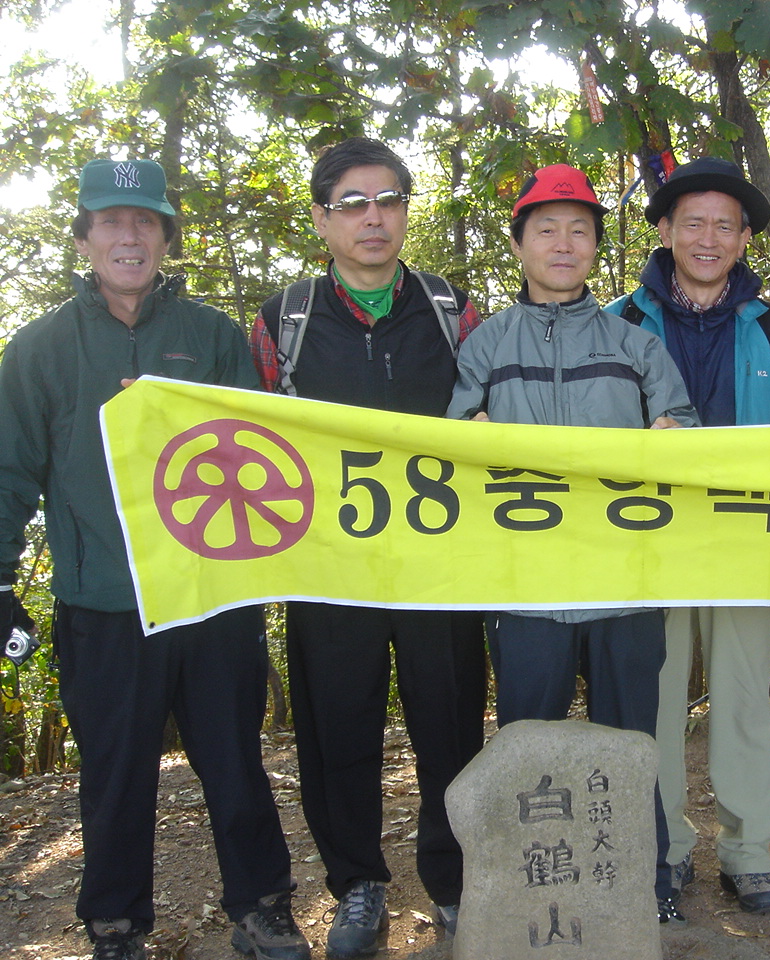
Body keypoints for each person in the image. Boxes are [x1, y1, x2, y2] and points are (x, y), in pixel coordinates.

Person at [0, 159, 309, 960]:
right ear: (84, 237)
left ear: (167, 237)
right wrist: (0, 581)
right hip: (102, 603)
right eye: (110, 220)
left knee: (234, 762)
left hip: (211, 598)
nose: (129, 236)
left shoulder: (211, 336)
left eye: (145, 220)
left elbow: (258, 454)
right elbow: (9, 472)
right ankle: (114, 923)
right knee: (114, 774)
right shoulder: (40, 349)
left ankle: (262, 907)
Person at [250, 137, 487, 957]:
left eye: (388, 199)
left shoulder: (453, 311)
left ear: (407, 210)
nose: (373, 217)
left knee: (449, 726)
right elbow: (245, 439)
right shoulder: (285, 320)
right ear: (322, 220)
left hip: (437, 566)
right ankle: (357, 885)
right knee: (337, 728)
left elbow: (494, 418)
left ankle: (453, 883)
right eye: (352, 203)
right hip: (330, 568)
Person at [446, 162, 699, 923]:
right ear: (519, 244)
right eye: (546, 230)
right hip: (527, 587)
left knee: (634, 741)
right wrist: (468, 435)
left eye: (579, 231)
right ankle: (528, 888)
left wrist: (675, 437)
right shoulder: (486, 345)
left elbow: (686, 436)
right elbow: (451, 447)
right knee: (526, 743)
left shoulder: (636, 345)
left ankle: (646, 884)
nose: (563, 244)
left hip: (625, 584)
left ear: (595, 247)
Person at [607, 157, 770, 915]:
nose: (708, 238)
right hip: (648, 542)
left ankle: (749, 851)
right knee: (654, 700)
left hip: (745, 540)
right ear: (665, 230)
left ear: (744, 239)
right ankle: (661, 849)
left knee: (743, 697)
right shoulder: (618, 323)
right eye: (692, 222)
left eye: (724, 226)